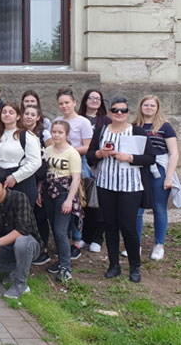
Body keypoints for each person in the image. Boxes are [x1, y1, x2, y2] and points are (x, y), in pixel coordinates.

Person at [87, 96, 155, 283]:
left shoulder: (137, 131)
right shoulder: (102, 130)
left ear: (128, 113)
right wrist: (99, 153)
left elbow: (150, 158)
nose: (119, 113)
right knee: (110, 227)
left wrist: (130, 157)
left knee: (128, 227)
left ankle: (135, 267)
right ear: (110, 112)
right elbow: (90, 156)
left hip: (130, 186)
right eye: (115, 110)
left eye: (123, 110)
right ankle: (114, 265)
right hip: (106, 184)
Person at [0, 166, 41, 299]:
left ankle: (20, 285)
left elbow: (23, 229)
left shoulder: (20, 197)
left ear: (4, 184)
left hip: (29, 245)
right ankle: (14, 270)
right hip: (6, 246)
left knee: (21, 243)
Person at [134, 95, 178, 261]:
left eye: (152, 105)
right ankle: (135, 245)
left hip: (158, 170)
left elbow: (174, 153)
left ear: (157, 108)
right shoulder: (134, 126)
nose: (149, 108)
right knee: (137, 209)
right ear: (141, 107)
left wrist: (169, 177)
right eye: (146, 105)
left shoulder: (165, 127)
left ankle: (159, 245)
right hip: (138, 170)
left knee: (159, 208)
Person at [42, 121, 82, 283]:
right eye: (54, 132)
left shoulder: (72, 153)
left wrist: (69, 200)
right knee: (56, 229)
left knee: (60, 231)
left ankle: (66, 267)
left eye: (60, 132)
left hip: (64, 193)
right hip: (49, 192)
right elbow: (43, 173)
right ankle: (60, 262)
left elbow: (76, 178)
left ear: (67, 134)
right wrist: (39, 191)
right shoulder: (47, 150)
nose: (56, 135)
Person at [55, 88, 93, 258]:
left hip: (78, 163)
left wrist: (68, 151)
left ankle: (77, 240)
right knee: (63, 203)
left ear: (74, 103)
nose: (64, 106)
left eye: (67, 102)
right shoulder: (57, 121)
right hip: (59, 167)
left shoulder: (83, 122)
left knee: (76, 204)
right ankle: (64, 239)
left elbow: (87, 146)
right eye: (61, 103)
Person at [77, 88, 110, 254]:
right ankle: (85, 235)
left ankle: (98, 238)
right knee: (85, 203)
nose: (95, 100)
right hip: (81, 164)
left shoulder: (106, 121)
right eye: (91, 97)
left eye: (98, 98)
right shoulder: (78, 118)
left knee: (99, 203)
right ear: (85, 100)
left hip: (100, 166)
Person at [21, 104, 53, 265]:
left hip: (39, 178)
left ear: (38, 117)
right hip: (23, 177)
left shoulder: (43, 134)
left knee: (40, 215)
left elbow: (50, 154)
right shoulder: (18, 133)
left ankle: (43, 248)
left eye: (32, 114)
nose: (29, 117)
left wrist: (40, 187)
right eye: (26, 114)